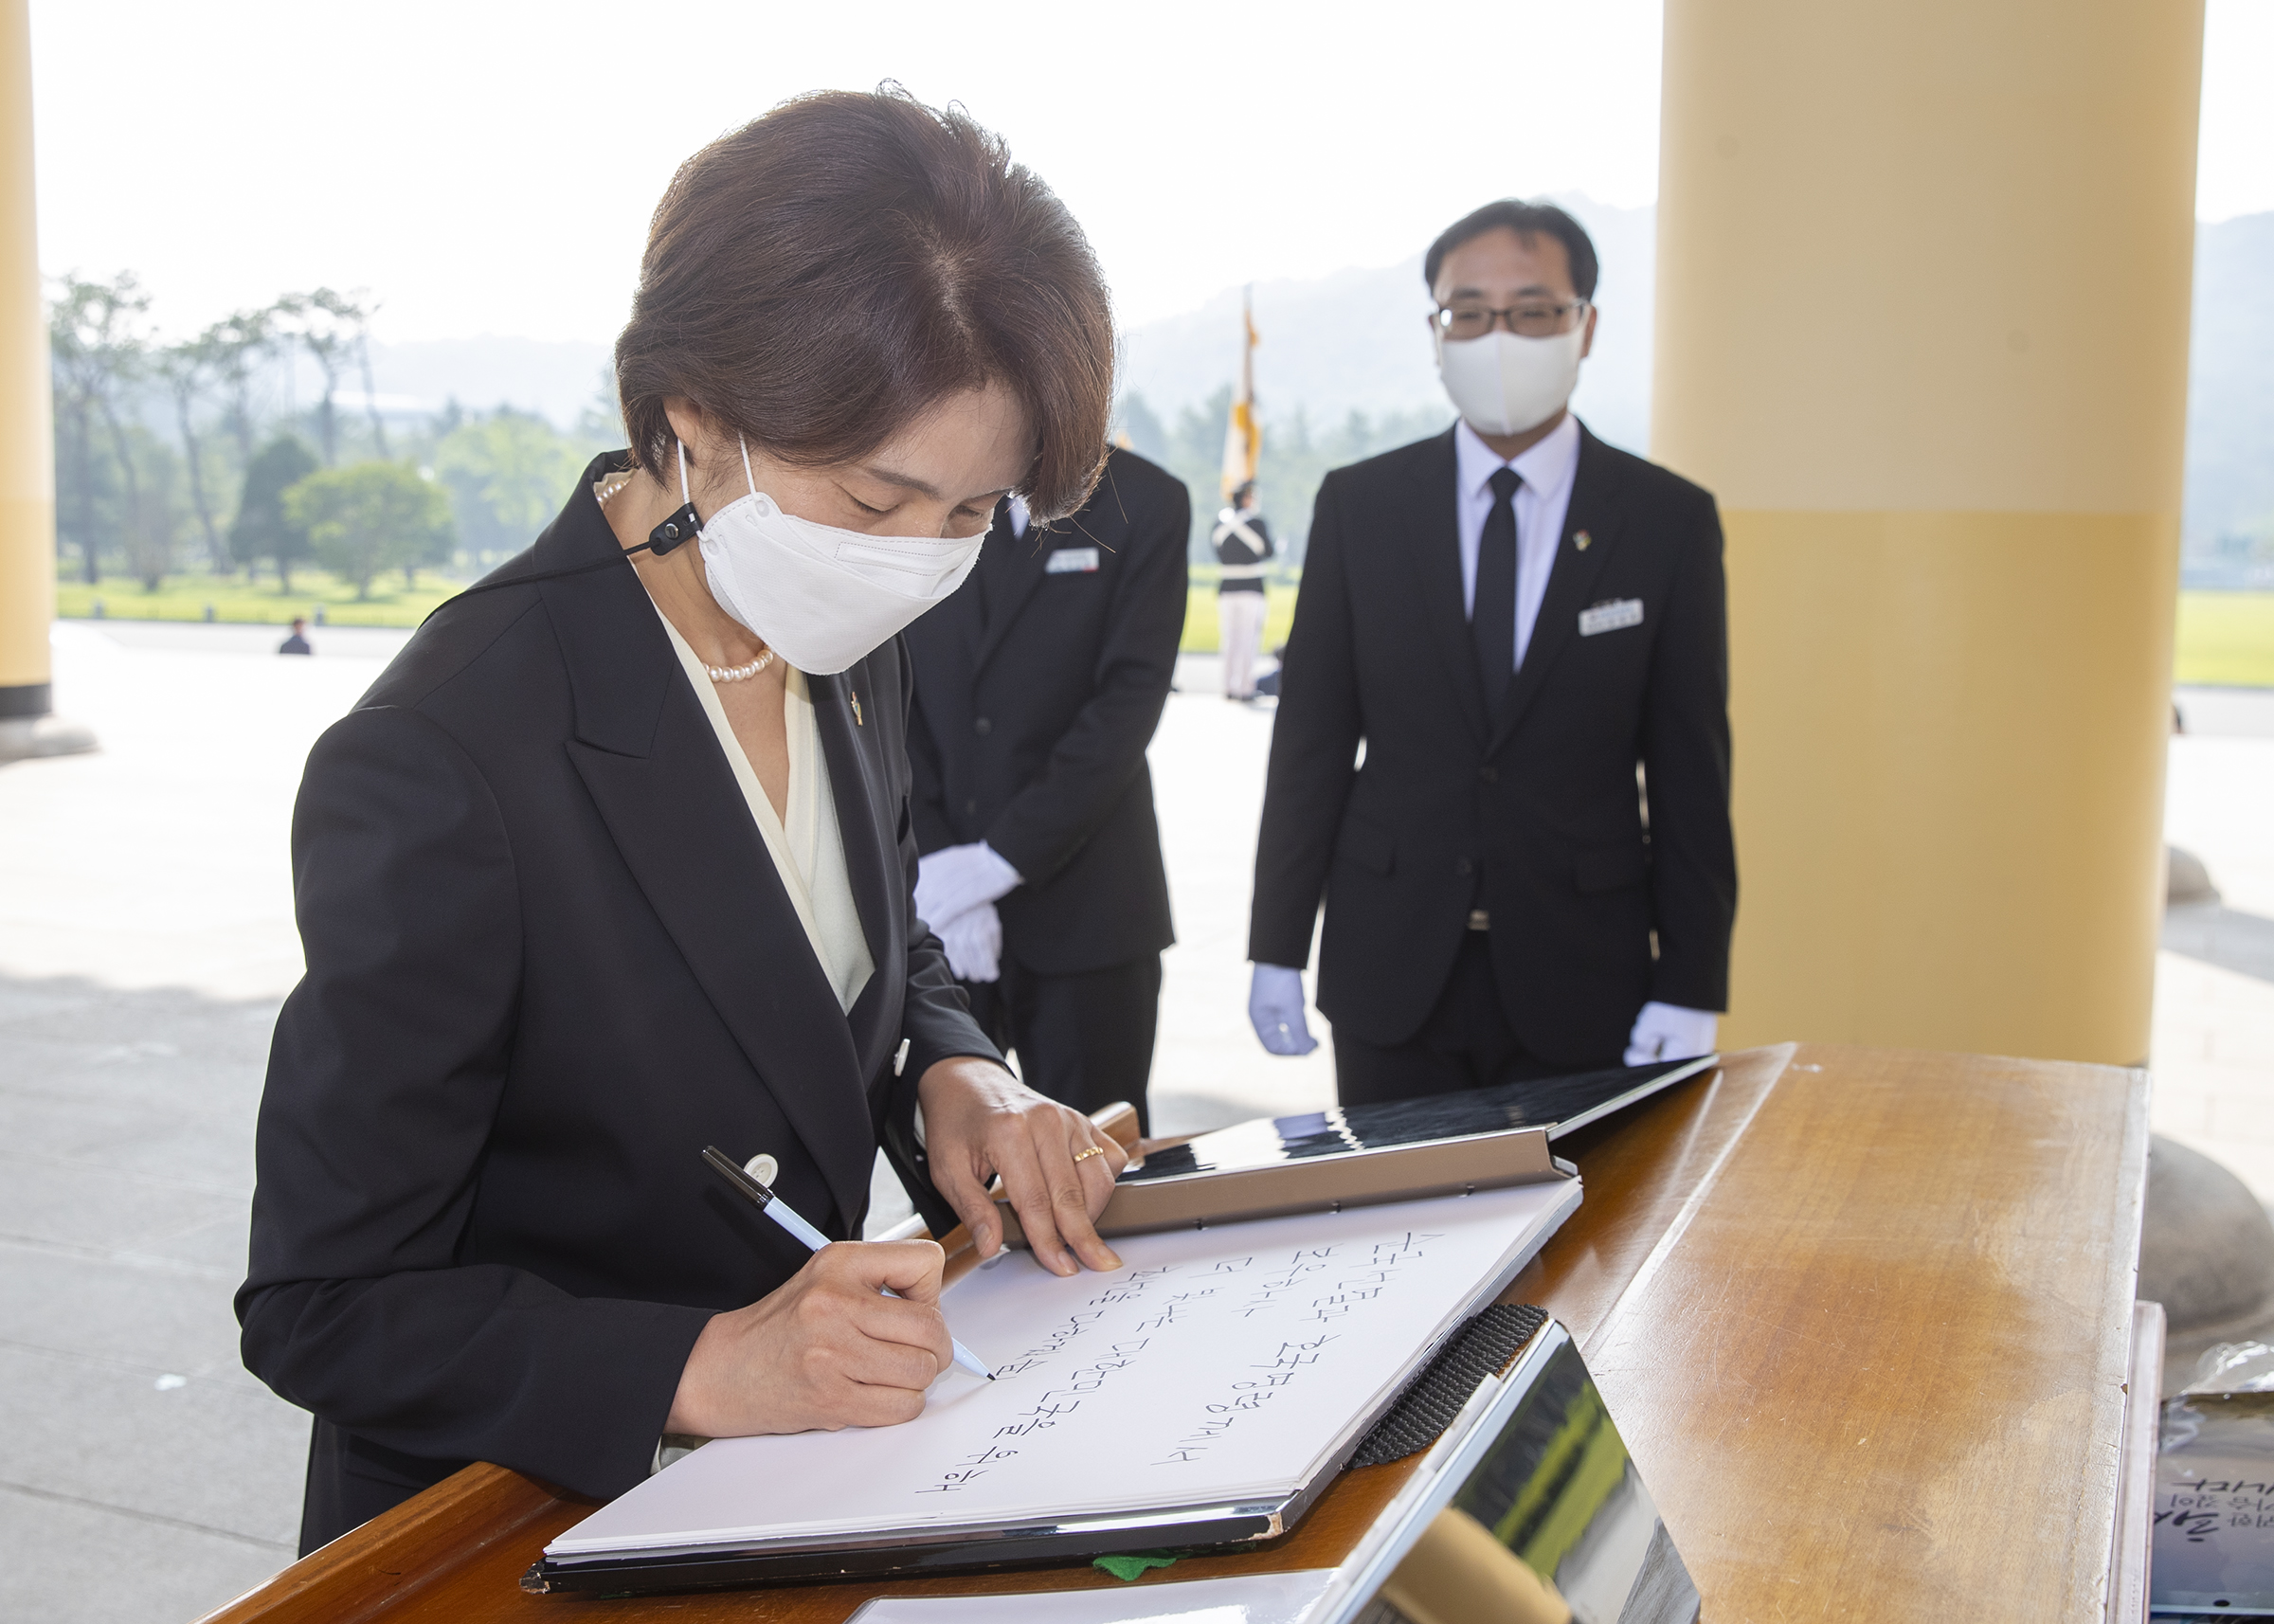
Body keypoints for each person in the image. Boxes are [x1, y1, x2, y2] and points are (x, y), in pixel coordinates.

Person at [237, 89, 1133, 1556]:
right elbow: (322, 1301)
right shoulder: (448, 750)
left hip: (796, 1496)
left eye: (973, 516)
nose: (916, 562)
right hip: (521, 1527)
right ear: (692, 415)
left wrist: (954, 1068)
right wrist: (707, 1364)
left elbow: (848, 930)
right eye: (877, 499)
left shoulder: (834, 622)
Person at [1245, 199, 1735, 1105]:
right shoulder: (1362, 508)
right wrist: (1276, 945)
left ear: (1585, 327)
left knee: (1587, 1202)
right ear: (1436, 335)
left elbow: (1690, 771)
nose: (1497, 337)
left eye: (1532, 310)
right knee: (1391, 1196)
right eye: (1467, 313)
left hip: (1584, 973)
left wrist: (1693, 981)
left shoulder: (1665, 521)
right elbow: (1311, 742)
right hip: (1391, 965)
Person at [902, 449, 1188, 1141]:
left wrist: (1000, 860)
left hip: (1088, 906)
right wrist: (936, 859)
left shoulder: (1145, 500)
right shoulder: (916, 483)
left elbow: (1126, 705)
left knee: (1098, 1156)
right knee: (954, 1169)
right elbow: (884, 682)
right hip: (938, 906)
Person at [1213, 480, 1273, 700]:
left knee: (1229, 638)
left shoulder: (1219, 524)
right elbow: (1269, 551)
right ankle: (1245, 687)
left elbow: (1218, 552)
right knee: (1248, 638)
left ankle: (1228, 686)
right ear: (1246, 499)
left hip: (1227, 587)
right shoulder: (1257, 523)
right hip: (1251, 587)